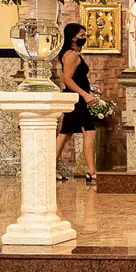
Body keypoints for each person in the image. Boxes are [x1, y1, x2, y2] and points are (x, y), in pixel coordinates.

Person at [55, 22, 98, 182]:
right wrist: (85, 95)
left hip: (76, 97)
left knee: (65, 134)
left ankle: (49, 168)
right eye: (82, 36)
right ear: (73, 38)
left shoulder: (74, 54)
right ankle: (91, 171)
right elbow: (67, 79)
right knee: (90, 132)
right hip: (76, 100)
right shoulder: (71, 54)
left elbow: (77, 78)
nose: (84, 38)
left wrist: (91, 88)